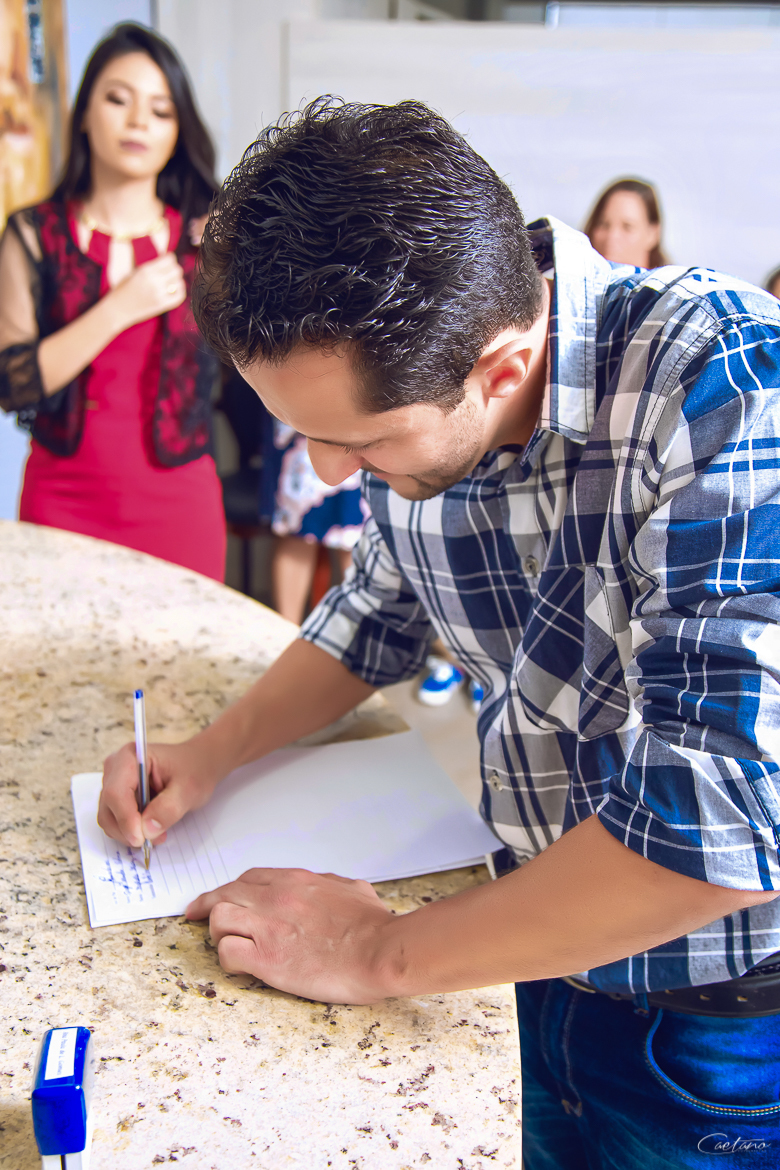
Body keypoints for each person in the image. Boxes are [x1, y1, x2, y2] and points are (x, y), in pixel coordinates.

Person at [99, 100, 780, 1167]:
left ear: (500, 371)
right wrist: (211, 753)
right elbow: (377, 609)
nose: (328, 472)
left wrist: (374, 952)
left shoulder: (732, 388)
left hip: (713, 1022)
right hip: (518, 945)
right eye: (306, 435)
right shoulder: (422, 375)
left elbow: (724, 826)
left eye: (358, 443)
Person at [0, 23, 226, 580]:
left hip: (180, 507)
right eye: (118, 99)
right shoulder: (34, 234)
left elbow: (265, 357)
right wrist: (120, 307)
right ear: (84, 113)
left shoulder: (207, 243)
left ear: (178, 130)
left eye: (160, 110)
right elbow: (13, 383)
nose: (138, 122)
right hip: (61, 506)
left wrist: (241, 247)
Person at [263, 418, 367, 624]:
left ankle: (361, 635)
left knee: (357, 536)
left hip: (362, 424)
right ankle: (287, 634)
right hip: (303, 422)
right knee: (298, 532)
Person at [584, 176, 668, 268]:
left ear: (653, 234)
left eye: (627, 227)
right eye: (603, 224)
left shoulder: (675, 276)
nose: (611, 236)